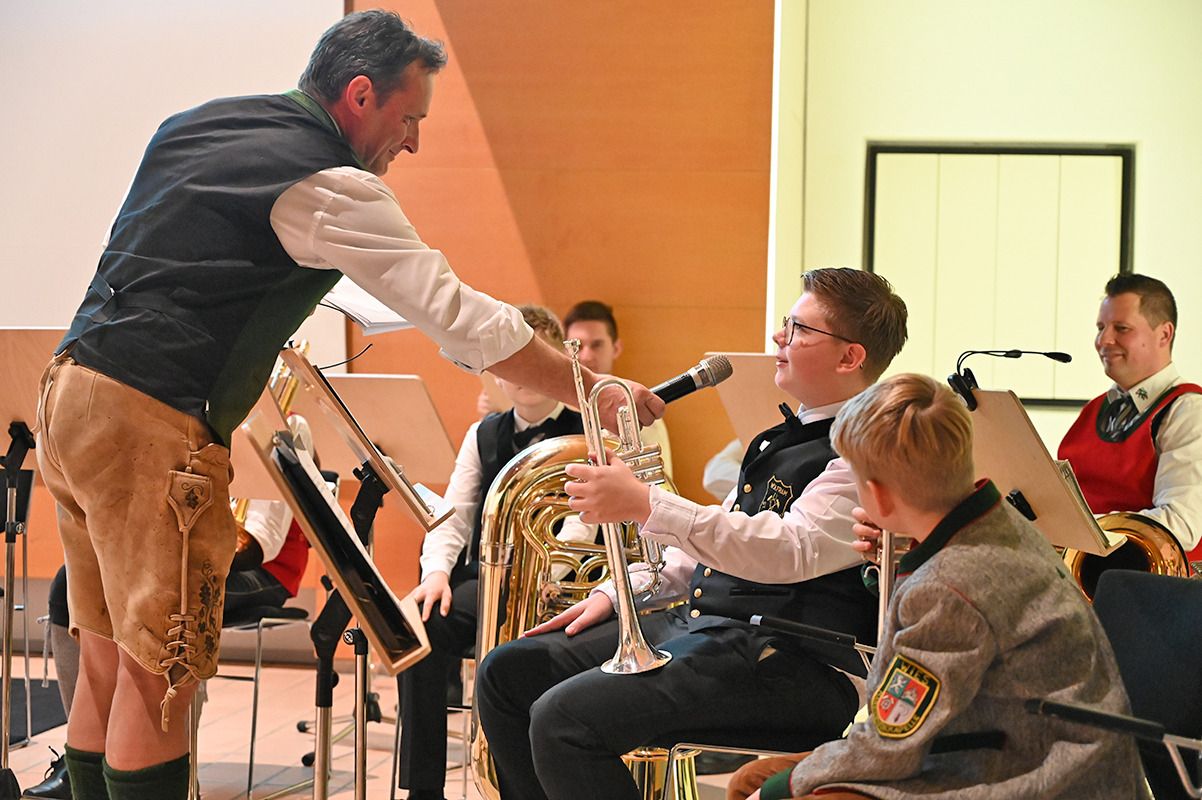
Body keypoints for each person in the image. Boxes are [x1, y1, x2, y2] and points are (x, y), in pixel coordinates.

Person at [33, 11, 661, 800]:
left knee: (102, 658)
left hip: (71, 393)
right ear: (360, 95)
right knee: (161, 677)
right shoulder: (329, 182)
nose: (413, 142)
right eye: (409, 118)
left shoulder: (198, 122)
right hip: (151, 418)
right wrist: (593, 388)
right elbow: (461, 316)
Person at [474, 267, 908, 800]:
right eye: (786, 322)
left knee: (565, 720)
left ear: (849, 357)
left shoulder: (869, 451)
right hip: (714, 632)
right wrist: (618, 592)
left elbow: (791, 550)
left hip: (798, 662)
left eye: (798, 329)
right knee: (507, 673)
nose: (779, 336)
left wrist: (644, 502)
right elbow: (707, 552)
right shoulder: (782, 438)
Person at [727, 374, 1145, 800]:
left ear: (878, 496)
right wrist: (898, 558)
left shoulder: (948, 588)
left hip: (1037, 777)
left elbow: (891, 744)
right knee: (752, 779)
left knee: (782, 791)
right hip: (1002, 746)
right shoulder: (997, 521)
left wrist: (784, 788)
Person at [24, 415, 320, 800]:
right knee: (69, 586)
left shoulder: (286, 424)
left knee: (167, 604)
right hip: (180, 552)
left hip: (261, 570)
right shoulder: (177, 416)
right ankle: (87, 758)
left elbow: (263, 541)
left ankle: (163, 755)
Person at [399, 305, 590, 800]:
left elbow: (583, 523)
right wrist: (436, 573)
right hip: (488, 579)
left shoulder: (587, 430)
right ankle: (424, 790)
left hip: (556, 587)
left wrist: (546, 576)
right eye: (511, 363)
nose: (523, 375)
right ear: (496, 372)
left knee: (517, 657)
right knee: (422, 626)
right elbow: (454, 513)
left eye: (535, 361)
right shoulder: (482, 433)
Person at [1058, 273, 1202, 560]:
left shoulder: (1189, 411)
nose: (1103, 340)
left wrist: (1082, 529)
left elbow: (1181, 524)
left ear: (1164, 334)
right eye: (1101, 328)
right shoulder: (1094, 408)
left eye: (1121, 328)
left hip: (1146, 583)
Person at [562, 300, 674, 477]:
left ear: (616, 348)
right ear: (564, 351)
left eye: (597, 345)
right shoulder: (551, 412)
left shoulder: (637, 411)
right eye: (577, 347)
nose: (587, 356)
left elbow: (661, 483)